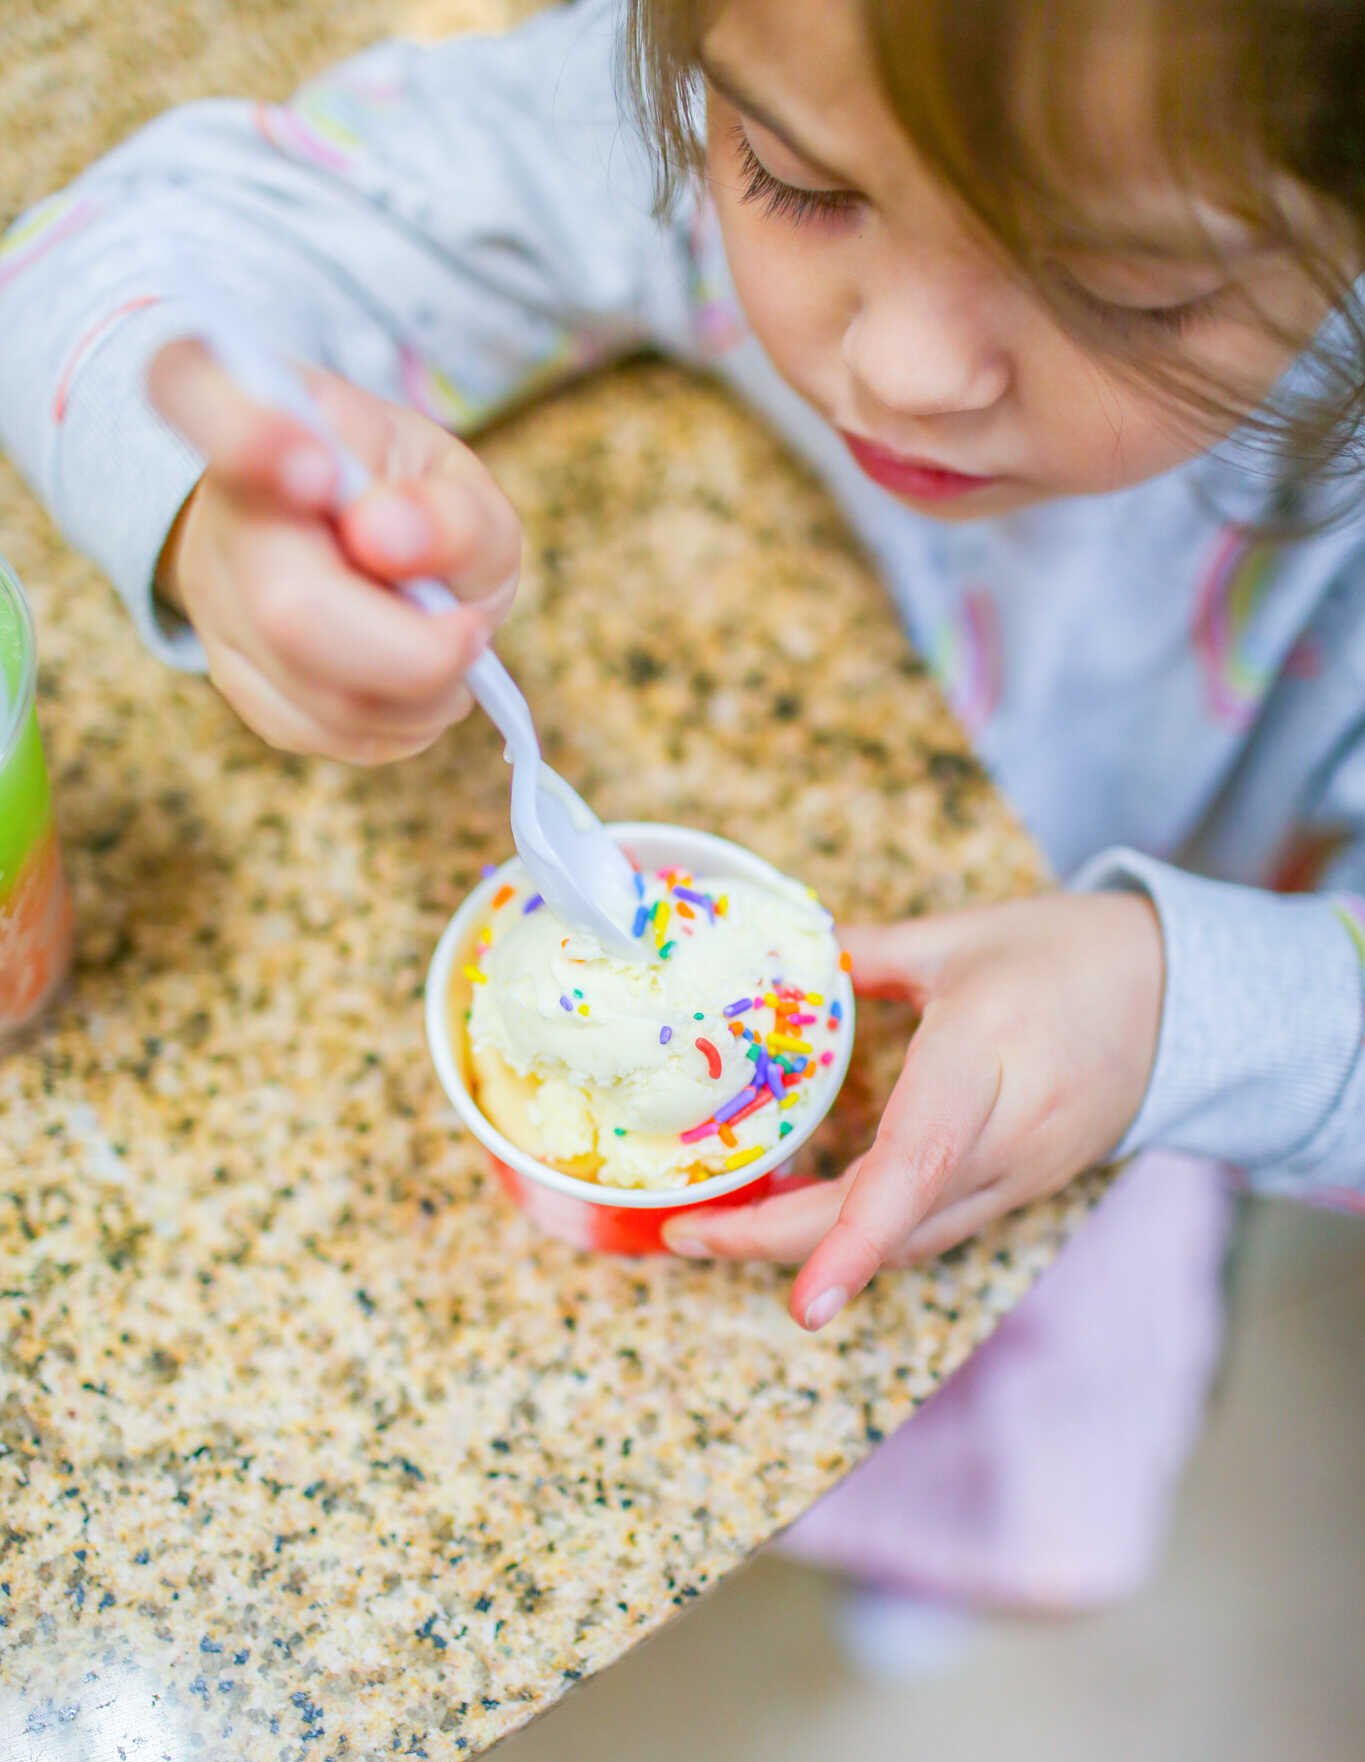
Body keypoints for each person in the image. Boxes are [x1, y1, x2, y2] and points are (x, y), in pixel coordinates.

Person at [1, 0, 1360, 1624]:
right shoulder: (770, 58)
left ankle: (933, 1589)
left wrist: (1178, 1009)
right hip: (610, 1327)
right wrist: (223, 516)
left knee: (1007, 1494)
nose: (902, 366)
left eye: (1129, 286)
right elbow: (94, 258)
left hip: (1099, 1167)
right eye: (793, 184)